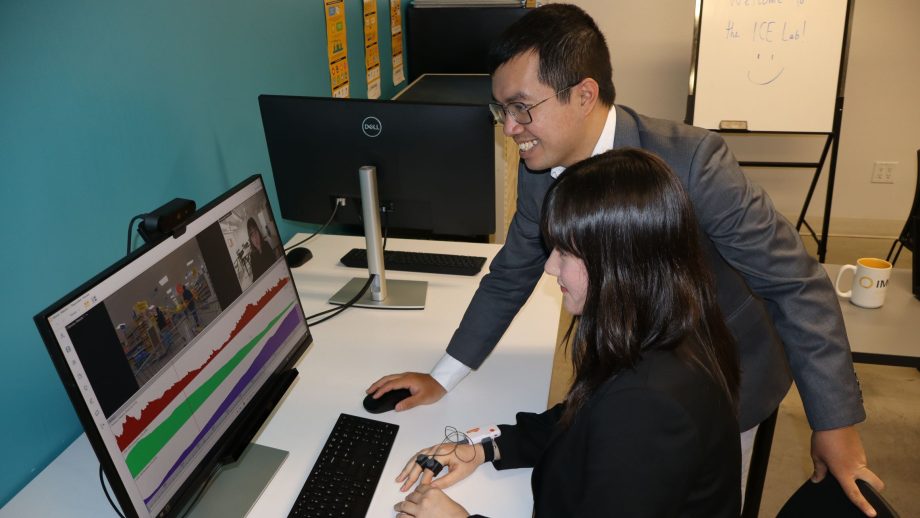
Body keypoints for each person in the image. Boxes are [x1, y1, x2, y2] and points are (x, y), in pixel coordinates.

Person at [368, 4, 885, 514]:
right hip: (621, 372)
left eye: (522, 107)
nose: (510, 128)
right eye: (501, 110)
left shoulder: (693, 162)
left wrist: (834, 423)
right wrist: (445, 375)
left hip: (719, 373)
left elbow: (794, 283)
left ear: (584, 93)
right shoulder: (537, 167)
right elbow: (512, 271)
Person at [394, 149, 742, 517]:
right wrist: (486, 446)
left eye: (565, 251)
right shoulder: (663, 323)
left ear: (617, 260)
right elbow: (584, 420)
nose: (549, 265)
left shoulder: (648, 404)